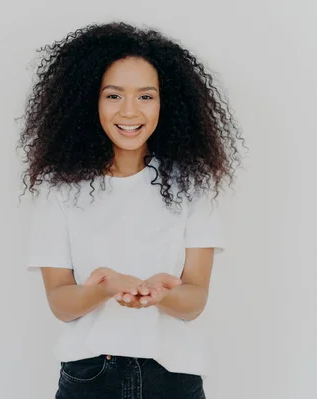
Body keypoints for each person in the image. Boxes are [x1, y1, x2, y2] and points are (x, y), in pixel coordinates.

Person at [19, 21, 242, 399]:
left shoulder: (192, 186)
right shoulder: (59, 190)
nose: (129, 111)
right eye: (113, 95)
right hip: (89, 377)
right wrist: (104, 288)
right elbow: (60, 302)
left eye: (145, 96)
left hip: (174, 378)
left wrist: (162, 295)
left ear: (166, 102)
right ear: (89, 100)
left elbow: (194, 302)